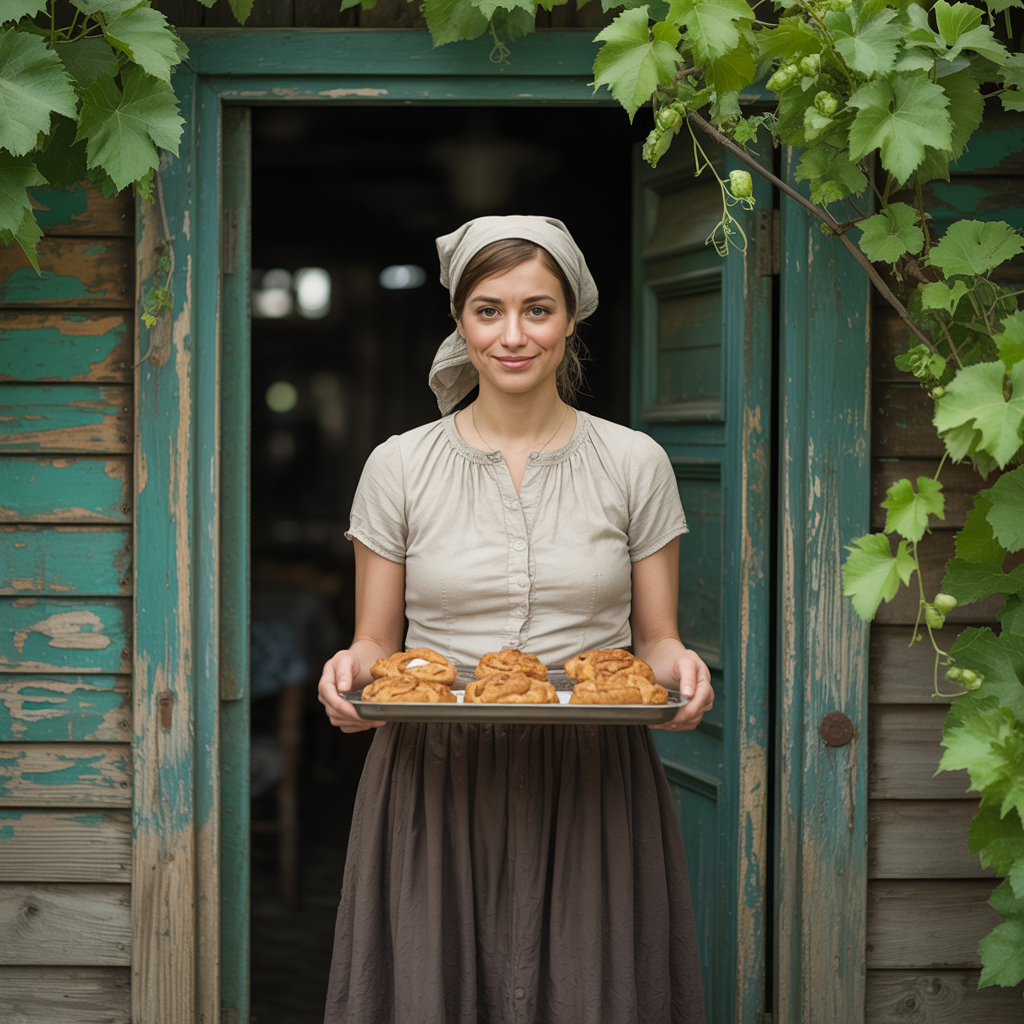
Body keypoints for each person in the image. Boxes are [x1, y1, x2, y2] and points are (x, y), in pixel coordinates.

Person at [318, 216, 714, 1024]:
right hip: (434, 773)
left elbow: (656, 640)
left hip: (594, 775)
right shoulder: (399, 466)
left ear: (571, 319)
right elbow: (375, 643)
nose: (513, 335)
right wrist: (349, 677)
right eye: (488, 310)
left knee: (592, 993)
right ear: (460, 321)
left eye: (538, 309)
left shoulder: (635, 462)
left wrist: (681, 673)